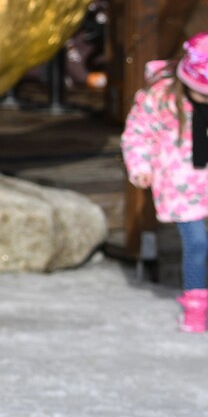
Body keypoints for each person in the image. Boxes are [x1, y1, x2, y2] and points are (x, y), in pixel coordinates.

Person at [122, 33, 208, 333]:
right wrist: (142, 166)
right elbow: (138, 133)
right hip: (181, 183)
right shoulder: (161, 96)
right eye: (200, 92)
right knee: (197, 243)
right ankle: (196, 308)